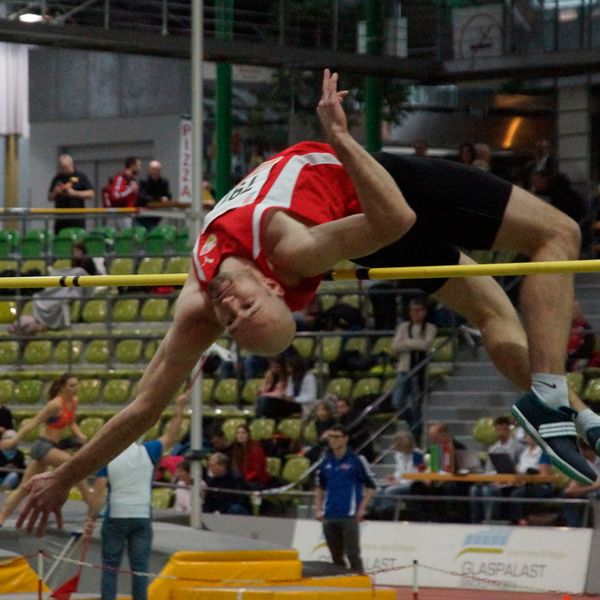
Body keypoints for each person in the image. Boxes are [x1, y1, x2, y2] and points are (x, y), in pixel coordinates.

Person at [19, 68, 600, 536]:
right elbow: (396, 217)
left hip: (364, 225)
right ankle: (552, 397)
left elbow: (142, 408)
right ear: (273, 286)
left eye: (233, 314)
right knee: (558, 235)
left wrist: (66, 476)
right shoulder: (291, 252)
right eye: (242, 312)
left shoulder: (198, 304)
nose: (229, 305)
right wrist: (342, 140)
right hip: (378, 195)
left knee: (496, 312)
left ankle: (576, 416)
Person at [84, 392, 188, 600]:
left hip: (116, 517)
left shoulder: (108, 455)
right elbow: (172, 436)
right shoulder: (148, 451)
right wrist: (179, 409)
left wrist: (91, 518)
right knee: (140, 570)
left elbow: (99, 492)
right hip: (141, 516)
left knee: (110, 569)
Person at [0, 373, 91, 526]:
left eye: (77, 385)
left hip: (53, 447)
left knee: (24, 487)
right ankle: (91, 506)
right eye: (71, 386)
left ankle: (2, 517)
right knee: (75, 466)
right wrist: (14, 441)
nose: (75, 389)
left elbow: (71, 422)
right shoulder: (55, 405)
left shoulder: (74, 401)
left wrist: (80, 435)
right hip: (43, 446)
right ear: (62, 387)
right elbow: (33, 423)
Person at [315, 425, 376, 573]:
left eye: (337, 437)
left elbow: (371, 486)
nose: (333, 440)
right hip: (330, 515)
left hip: (349, 515)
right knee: (336, 557)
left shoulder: (357, 460)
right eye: (331, 437)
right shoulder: (325, 462)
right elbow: (320, 487)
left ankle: (362, 589)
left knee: (353, 555)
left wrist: (362, 508)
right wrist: (318, 509)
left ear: (345, 438)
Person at [390, 297, 437, 440]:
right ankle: (413, 425)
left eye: (418, 310)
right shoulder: (404, 326)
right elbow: (395, 345)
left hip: (420, 370)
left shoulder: (430, 327)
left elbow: (426, 345)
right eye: (412, 311)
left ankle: (416, 436)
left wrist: (407, 343)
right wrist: (416, 343)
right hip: (404, 369)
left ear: (424, 312)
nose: (415, 314)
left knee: (417, 406)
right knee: (397, 402)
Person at [469, 415, 522, 523]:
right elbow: (489, 470)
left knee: (487, 491)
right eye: (497, 429)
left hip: (510, 482)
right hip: (495, 481)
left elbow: (518, 467)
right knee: (475, 490)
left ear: (508, 429)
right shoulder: (493, 448)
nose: (500, 432)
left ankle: (490, 521)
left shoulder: (518, 447)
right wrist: (492, 479)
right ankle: (475, 521)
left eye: (502, 429)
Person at [508, 434, 554, 525]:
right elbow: (517, 468)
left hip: (539, 485)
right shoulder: (523, 452)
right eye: (528, 435)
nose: (530, 437)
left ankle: (521, 520)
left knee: (517, 494)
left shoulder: (544, 453)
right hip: (522, 482)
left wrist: (528, 477)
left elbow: (543, 474)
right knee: (505, 490)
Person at [48, 154, 94, 234]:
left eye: (66, 167)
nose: (64, 169)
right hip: (61, 219)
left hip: (76, 218)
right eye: (62, 167)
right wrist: (55, 192)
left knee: (76, 242)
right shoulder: (57, 178)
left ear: (71, 164)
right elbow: (49, 197)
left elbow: (91, 193)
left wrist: (75, 193)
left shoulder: (81, 176)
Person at [562, 441, 600, 527]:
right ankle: (573, 526)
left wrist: (580, 491)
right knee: (568, 496)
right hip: (589, 490)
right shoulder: (581, 463)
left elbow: (598, 485)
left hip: (596, 492)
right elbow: (572, 488)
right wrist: (573, 491)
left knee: (597, 495)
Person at [103, 157, 141, 229]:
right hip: (122, 214)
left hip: (131, 214)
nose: (139, 168)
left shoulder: (132, 180)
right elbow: (115, 196)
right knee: (126, 237)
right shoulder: (121, 177)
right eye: (138, 165)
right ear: (132, 166)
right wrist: (130, 189)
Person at [230, 424, 270, 489]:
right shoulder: (236, 450)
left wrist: (243, 480)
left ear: (248, 435)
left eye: (243, 433)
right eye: (238, 433)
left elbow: (257, 471)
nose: (240, 435)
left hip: (257, 481)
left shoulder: (256, 449)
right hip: (244, 480)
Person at [136, 160, 173, 231]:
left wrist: (166, 199)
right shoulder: (143, 181)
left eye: (157, 170)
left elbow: (168, 196)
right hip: (143, 215)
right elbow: (142, 197)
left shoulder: (164, 182)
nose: (155, 172)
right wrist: (159, 199)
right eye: (153, 169)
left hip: (157, 215)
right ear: (149, 170)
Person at [285, 353, 318, 418]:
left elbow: (311, 397)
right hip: (295, 403)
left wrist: (295, 399)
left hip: (307, 404)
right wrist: (287, 397)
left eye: (289, 367)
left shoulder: (309, 377)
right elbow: (289, 392)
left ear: (296, 367)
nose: (288, 370)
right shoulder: (291, 377)